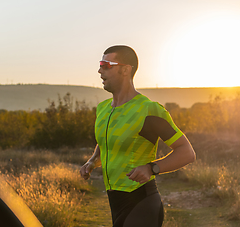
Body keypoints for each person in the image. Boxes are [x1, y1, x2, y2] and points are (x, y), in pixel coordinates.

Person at [80, 45, 196, 227]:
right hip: (115, 202)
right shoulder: (103, 109)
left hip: (141, 202)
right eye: (100, 65)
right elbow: (105, 141)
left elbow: (186, 152)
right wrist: (93, 161)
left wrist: (152, 168)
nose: (100, 70)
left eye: (106, 65)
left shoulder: (149, 110)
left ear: (126, 69)